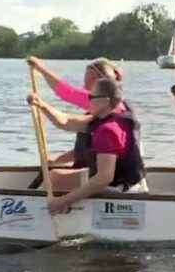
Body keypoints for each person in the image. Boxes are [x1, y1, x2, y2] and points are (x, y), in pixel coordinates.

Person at [28, 78, 147, 213]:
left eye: (91, 96)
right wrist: (41, 105)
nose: (88, 100)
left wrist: (63, 201)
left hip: (118, 191)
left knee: (55, 177)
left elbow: (103, 178)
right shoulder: (113, 115)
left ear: (105, 101)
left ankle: (31, 210)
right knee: (55, 174)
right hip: (126, 183)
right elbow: (65, 122)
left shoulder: (107, 131)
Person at [26, 56, 123, 169]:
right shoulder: (109, 102)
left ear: (97, 79)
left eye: (87, 78)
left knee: (58, 177)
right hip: (109, 166)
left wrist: (40, 68)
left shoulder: (103, 102)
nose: (83, 83)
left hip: (110, 172)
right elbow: (84, 149)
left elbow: (66, 93)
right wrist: (55, 161)